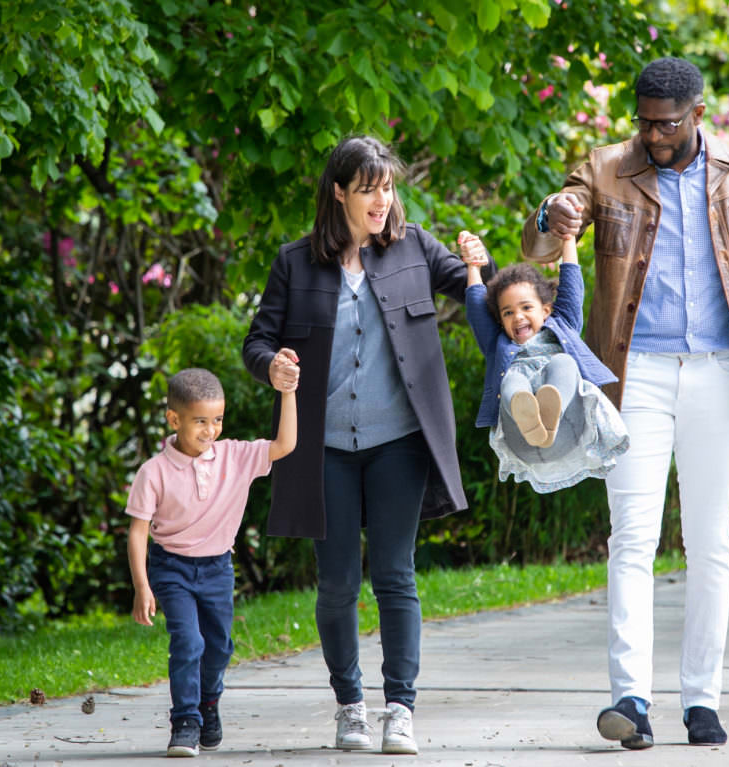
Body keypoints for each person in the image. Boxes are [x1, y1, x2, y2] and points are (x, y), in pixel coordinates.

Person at [521, 56, 729, 749]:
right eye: (643, 122)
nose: (652, 136)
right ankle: (632, 699)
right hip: (633, 372)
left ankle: (702, 700)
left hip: (720, 373)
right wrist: (550, 215)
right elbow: (539, 240)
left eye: (666, 124)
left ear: (699, 115)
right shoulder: (607, 166)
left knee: (710, 542)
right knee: (633, 536)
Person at [242, 135, 492, 756]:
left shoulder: (414, 250)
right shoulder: (295, 262)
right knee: (335, 585)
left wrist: (483, 269)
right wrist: (272, 365)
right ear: (339, 192)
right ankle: (350, 705)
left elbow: (481, 297)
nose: (382, 200)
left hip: (398, 443)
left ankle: (399, 708)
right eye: (368, 189)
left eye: (387, 187)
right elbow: (256, 341)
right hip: (320, 445)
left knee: (395, 576)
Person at [126, 365, 299, 757]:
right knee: (188, 642)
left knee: (219, 646)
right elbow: (137, 532)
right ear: (174, 419)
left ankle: (208, 701)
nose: (210, 430)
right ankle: (185, 720)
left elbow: (284, 444)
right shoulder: (153, 473)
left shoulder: (234, 457)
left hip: (218, 567)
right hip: (171, 569)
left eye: (217, 420)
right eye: (200, 421)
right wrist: (142, 586)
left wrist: (288, 391)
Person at [459, 231, 628, 492]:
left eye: (526, 308)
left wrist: (569, 238)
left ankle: (550, 410)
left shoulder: (564, 326)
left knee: (563, 363)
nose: (518, 317)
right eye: (508, 312)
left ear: (546, 310)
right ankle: (528, 414)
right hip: (522, 436)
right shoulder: (498, 344)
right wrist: (473, 267)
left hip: (567, 425)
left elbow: (571, 284)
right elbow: (476, 310)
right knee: (513, 379)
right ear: (501, 320)